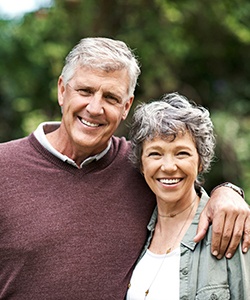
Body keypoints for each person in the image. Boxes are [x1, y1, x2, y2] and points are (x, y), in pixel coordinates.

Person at [0, 37, 249, 299]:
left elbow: (184, 184)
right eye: (85, 91)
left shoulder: (138, 165)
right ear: (62, 90)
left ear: (126, 106)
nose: (95, 108)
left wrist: (227, 192)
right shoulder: (4, 166)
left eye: (110, 97)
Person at [126, 92, 250, 300]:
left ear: (201, 161)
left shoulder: (228, 229)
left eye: (182, 153)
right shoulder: (135, 233)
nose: (168, 167)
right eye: (155, 154)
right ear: (141, 164)